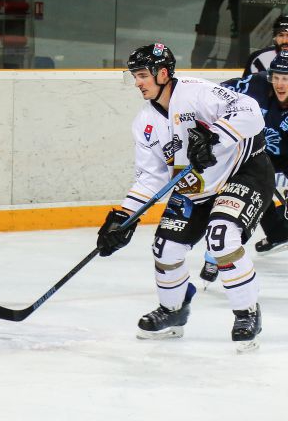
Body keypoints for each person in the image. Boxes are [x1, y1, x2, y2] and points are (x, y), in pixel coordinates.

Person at [97, 43, 272, 350]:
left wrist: (217, 135)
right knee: (165, 248)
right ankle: (174, 310)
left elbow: (251, 111)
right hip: (195, 189)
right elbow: (152, 176)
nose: (137, 82)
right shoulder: (145, 124)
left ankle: (247, 312)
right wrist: (124, 217)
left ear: (162, 73)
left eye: (141, 75)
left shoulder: (197, 92)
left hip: (242, 173)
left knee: (221, 237)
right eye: (134, 76)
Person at [219, 49, 288, 256]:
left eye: (286, 78)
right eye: (276, 77)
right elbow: (216, 93)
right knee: (254, 190)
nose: (280, 84)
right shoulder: (257, 84)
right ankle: (277, 233)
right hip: (261, 152)